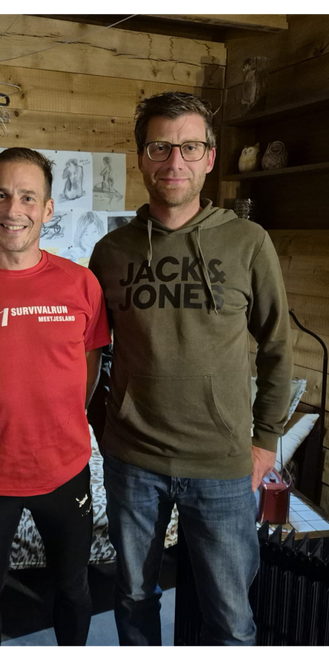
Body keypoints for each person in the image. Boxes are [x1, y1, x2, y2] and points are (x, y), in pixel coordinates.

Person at [88, 91, 293, 649]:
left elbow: (277, 345)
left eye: (190, 147)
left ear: (209, 156)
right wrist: (105, 425)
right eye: (160, 147)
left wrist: (265, 441)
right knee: (133, 600)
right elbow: (90, 351)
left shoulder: (248, 242)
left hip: (222, 464)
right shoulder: (110, 252)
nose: (174, 161)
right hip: (133, 462)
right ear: (141, 157)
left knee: (231, 620)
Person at [0, 148, 110, 649]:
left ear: (48, 209)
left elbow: (90, 363)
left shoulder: (82, 284)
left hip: (66, 470)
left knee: (73, 586)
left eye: (28, 197)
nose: (14, 209)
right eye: (2, 195)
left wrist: (61, 416)